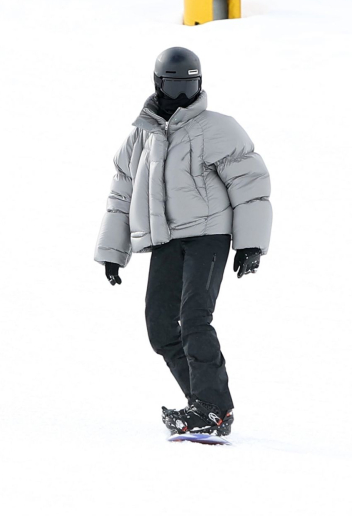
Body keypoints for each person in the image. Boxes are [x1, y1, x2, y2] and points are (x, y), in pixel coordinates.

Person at [94, 47, 272, 436]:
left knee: (193, 318)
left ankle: (212, 408)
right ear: (158, 85)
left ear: (200, 84)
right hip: (167, 239)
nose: (180, 96)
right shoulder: (142, 135)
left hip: (209, 235)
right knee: (160, 326)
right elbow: (122, 192)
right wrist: (113, 251)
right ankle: (205, 404)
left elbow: (251, 184)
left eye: (188, 86)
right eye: (172, 88)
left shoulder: (219, 128)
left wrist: (250, 243)